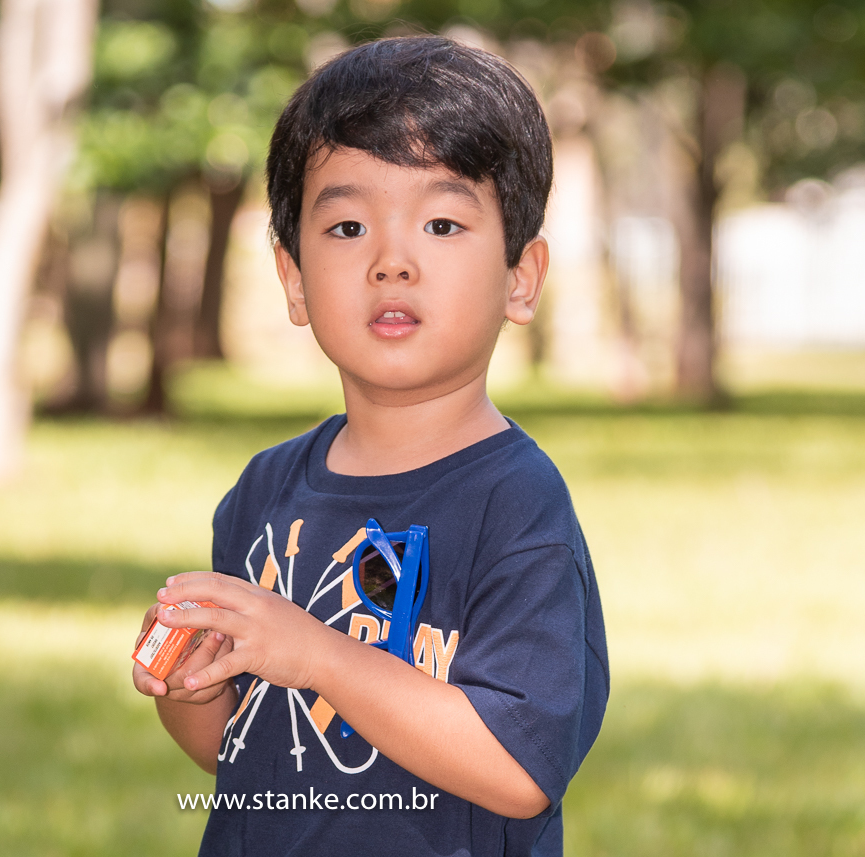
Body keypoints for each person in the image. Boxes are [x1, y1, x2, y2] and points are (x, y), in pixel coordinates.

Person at [132, 35, 609, 857]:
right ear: (293, 278)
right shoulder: (266, 490)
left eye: (442, 222)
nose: (392, 261)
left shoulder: (515, 505)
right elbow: (242, 754)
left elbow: (519, 768)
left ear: (520, 277)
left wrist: (316, 654)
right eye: (348, 225)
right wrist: (189, 678)